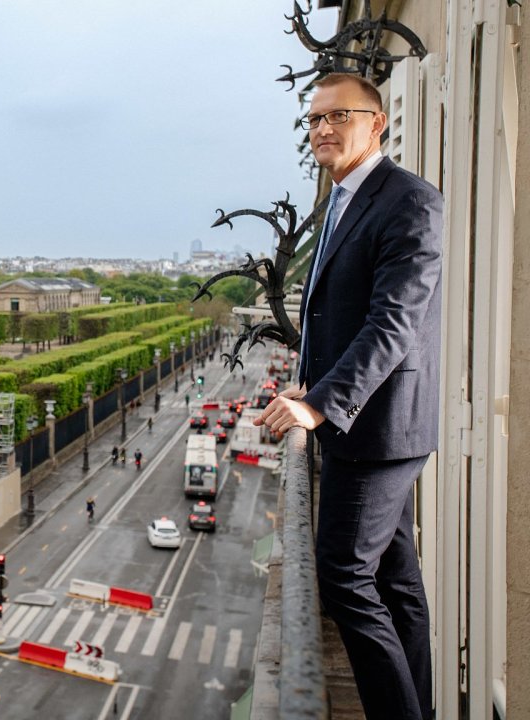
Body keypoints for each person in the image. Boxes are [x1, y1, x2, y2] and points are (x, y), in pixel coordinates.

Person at [254, 73, 442, 720]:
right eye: (313, 121)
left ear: (378, 122)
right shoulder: (345, 198)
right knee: (397, 585)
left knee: (341, 577)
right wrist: (314, 378)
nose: (323, 130)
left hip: (374, 429)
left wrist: (319, 403)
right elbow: (338, 312)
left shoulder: (409, 201)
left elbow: (393, 324)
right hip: (378, 423)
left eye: (340, 116)